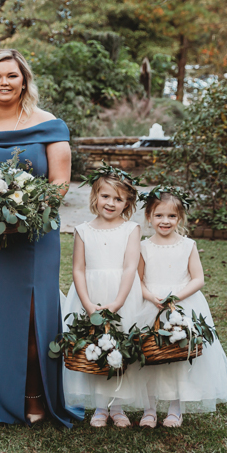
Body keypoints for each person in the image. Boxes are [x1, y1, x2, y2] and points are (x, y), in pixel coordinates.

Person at [0, 49, 80, 427]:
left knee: (32, 318)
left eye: (11, 75)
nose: (4, 83)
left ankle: (35, 393)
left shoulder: (50, 126)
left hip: (35, 237)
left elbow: (60, 183)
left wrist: (27, 213)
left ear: (24, 80)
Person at [135, 188, 227, 427]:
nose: (165, 221)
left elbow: (198, 279)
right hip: (150, 304)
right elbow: (137, 279)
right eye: (159, 215)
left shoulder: (188, 245)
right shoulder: (143, 246)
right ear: (149, 216)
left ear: (180, 218)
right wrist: (150, 296)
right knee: (149, 355)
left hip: (181, 305)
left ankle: (175, 409)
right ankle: (149, 409)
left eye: (171, 216)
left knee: (178, 356)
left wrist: (175, 297)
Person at [61, 167, 144, 427]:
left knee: (120, 347)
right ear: (95, 196)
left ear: (127, 203)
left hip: (121, 294)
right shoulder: (83, 230)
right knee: (94, 345)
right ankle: (99, 406)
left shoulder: (131, 229)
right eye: (105, 196)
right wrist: (87, 303)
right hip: (91, 294)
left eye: (118, 199)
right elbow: (78, 268)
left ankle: (117, 406)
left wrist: (119, 301)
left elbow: (130, 267)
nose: (111, 203)